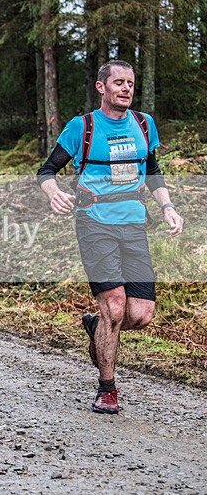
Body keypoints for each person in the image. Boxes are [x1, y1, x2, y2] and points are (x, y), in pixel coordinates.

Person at [37, 60, 184, 415]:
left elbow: (152, 172)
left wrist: (167, 207)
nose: (126, 89)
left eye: (130, 83)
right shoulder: (82, 127)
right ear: (101, 87)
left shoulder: (144, 125)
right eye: (118, 82)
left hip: (133, 224)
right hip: (94, 222)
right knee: (115, 307)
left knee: (142, 313)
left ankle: (96, 326)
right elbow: (47, 170)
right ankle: (107, 389)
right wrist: (53, 192)